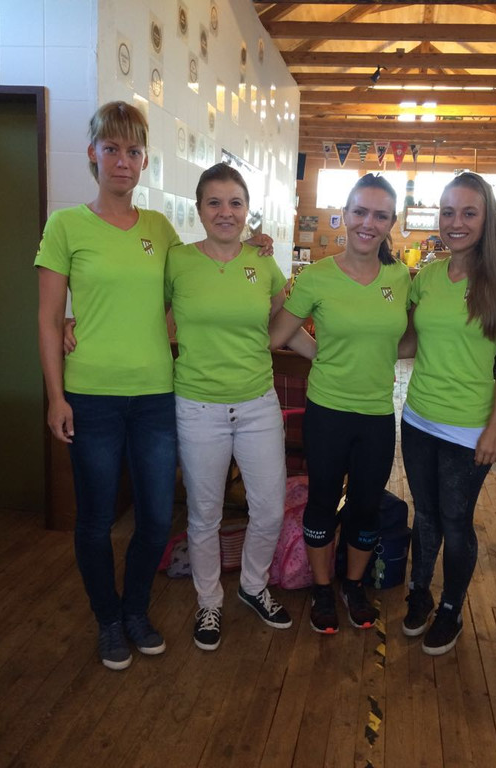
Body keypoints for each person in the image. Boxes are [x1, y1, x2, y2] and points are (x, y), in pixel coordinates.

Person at [36, 101, 180, 670]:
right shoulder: (66, 225)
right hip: (91, 396)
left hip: (155, 396)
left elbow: (193, 287)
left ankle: (136, 609)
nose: (123, 160)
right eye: (112, 148)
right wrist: (56, 396)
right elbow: (49, 318)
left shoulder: (160, 229)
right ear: (93, 153)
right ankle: (108, 619)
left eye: (134, 151)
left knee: (157, 518)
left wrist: (252, 246)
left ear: (144, 160)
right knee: (95, 519)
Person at [166, 163, 315, 652]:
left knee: (268, 509)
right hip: (198, 407)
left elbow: (282, 324)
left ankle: (253, 586)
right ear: (199, 209)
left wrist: (325, 358)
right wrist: (75, 324)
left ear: (248, 210)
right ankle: (208, 601)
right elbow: (148, 316)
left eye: (235, 203)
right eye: (214, 202)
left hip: (257, 404)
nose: (225, 212)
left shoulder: (263, 263)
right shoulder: (177, 261)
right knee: (204, 515)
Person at [269, 173, 411, 635]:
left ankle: (353, 585)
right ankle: (322, 588)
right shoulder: (317, 276)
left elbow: (411, 337)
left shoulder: (400, 278)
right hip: (327, 411)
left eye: (380, 215)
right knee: (323, 502)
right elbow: (279, 333)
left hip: (376, 414)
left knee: (366, 507)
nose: (369, 223)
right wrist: (321, 354)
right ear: (345, 215)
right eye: (360, 211)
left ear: (392, 222)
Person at [400, 172, 496, 656]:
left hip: (468, 426)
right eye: (448, 212)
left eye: (468, 212)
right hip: (418, 417)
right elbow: (408, 342)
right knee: (425, 514)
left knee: (456, 521)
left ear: (486, 218)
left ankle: (451, 608)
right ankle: (419, 593)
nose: (456, 222)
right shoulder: (428, 275)